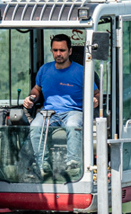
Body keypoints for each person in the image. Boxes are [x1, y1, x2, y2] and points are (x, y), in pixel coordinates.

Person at [19, 34, 98, 181]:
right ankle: (43, 165)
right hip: (49, 112)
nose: (58, 54)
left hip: (74, 111)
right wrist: (31, 98)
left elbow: (97, 93)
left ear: (70, 51)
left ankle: (73, 164)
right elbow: (37, 89)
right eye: (55, 50)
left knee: (73, 125)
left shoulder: (81, 71)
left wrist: (95, 100)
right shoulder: (45, 69)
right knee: (35, 126)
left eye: (62, 50)